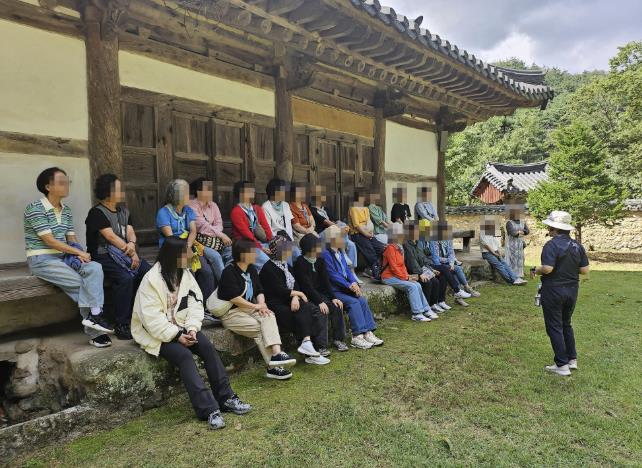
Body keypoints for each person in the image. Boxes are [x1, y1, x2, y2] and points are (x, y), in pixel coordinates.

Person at [131, 236, 251, 429]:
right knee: (184, 356)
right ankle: (208, 409)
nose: (190, 254)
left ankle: (226, 398)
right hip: (156, 333)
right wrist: (177, 335)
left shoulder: (185, 275)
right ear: (175, 256)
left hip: (183, 327)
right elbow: (151, 319)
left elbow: (196, 304)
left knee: (206, 347)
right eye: (186, 251)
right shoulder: (151, 280)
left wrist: (192, 328)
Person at [24, 167, 113, 348]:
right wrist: (78, 253)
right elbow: (50, 241)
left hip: (65, 257)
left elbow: (71, 238)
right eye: (61, 182)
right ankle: (96, 332)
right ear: (48, 186)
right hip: (42, 260)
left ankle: (95, 314)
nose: (66, 185)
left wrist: (80, 254)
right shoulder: (35, 208)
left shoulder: (66, 210)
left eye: (67, 182)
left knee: (94, 267)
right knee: (82, 284)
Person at [217, 240, 297, 380]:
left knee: (269, 315)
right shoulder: (229, 272)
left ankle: (277, 354)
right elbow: (234, 298)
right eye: (253, 251)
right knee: (260, 328)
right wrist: (256, 307)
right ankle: (273, 368)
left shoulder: (251, 269)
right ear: (243, 254)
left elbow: (259, 290)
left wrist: (262, 304)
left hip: (248, 309)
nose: (256, 254)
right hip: (231, 313)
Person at [85, 174, 151, 340]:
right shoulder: (96, 213)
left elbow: (130, 232)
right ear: (108, 191)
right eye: (118, 188)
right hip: (102, 255)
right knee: (124, 278)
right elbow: (110, 237)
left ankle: (142, 315)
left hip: (124, 253)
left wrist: (132, 246)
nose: (122, 191)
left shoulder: (124, 211)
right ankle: (122, 323)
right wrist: (131, 252)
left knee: (148, 272)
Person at [531, 211, 589, 377]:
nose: (548, 229)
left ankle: (562, 365)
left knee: (554, 326)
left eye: (549, 226)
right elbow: (584, 270)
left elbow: (548, 268)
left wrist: (536, 269)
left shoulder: (551, 245)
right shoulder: (577, 245)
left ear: (554, 228)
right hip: (572, 290)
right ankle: (571, 359)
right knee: (566, 324)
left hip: (554, 290)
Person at [259, 235, 330, 364]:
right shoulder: (268, 268)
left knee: (310, 308)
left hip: (289, 300)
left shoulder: (286, 266)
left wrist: (296, 297)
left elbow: (295, 285)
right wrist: (297, 294)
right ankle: (310, 350)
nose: (289, 251)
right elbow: (279, 290)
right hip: (276, 304)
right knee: (301, 314)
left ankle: (309, 345)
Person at [322, 225, 383, 349]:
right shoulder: (325, 254)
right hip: (335, 291)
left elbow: (348, 272)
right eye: (341, 236)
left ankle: (368, 332)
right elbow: (333, 275)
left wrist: (354, 283)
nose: (344, 239)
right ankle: (357, 336)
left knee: (362, 300)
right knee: (353, 302)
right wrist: (349, 285)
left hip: (345, 288)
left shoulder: (340, 252)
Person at [157, 179, 216, 300]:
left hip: (188, 246)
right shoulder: (163, 213)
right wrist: (184, 250)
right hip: (172, 250)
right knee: (189, 272)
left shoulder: (188, 210)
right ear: (176, 195)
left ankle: (206, 304)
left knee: (207, 272)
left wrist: (188, 247)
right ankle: (189, 303)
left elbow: (193, 231)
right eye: (186, 192)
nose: (190, 195)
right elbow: (170, 238)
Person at [294, 234, 350, 352]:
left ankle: (338, 339)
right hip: (307, 296)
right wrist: (319, 302)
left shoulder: (320, 260)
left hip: (321, 294)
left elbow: (326, 282)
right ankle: (321, 346)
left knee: (336, 306)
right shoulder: (300, 262)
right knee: (322, 311)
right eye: (316, 247)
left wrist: (333, 298)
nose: (319, 249)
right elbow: (306, 286)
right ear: (309, 248)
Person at [381, 224, 437, 322]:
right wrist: (406, 278)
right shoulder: (390, 248)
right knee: (412, 286)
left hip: (398, 276)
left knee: (417, 284)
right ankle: (417, 313)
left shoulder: (399, 248)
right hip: (388, 277)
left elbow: (402, 266)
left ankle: (426, 309)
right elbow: (394, 268)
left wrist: (408, 276)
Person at [309, 185, 360, 283]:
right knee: (335, 227)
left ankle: (352, 272)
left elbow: (336, 220)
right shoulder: (312, 209)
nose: (324, 195)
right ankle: (343, 253)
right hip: (322, 235)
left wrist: (344, 226)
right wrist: (339, 227)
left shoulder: (325, 209)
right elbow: (326, 222)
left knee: (351, 245)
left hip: (335, 235)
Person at [187, 178, 233, 282]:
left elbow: (219, 223)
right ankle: (226, 285)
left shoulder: (213, 205)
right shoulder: (192, 206)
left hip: (216, 240)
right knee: (216, 256)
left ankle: (231, 278)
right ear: (198, 191)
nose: (210, 192)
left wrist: (216, 233)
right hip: (200, 242)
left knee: (231, 251)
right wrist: (221, 235)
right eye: (207, 189)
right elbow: (202, 226)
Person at [428, 221, 479, 306]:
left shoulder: (448, 239)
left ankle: (461, 294)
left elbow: (452, 253)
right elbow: (435, 259)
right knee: (457, 269)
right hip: (437, 264)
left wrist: (451, 263)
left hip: (448, 263)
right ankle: (465, 290)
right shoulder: (433, 241)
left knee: (455, 271)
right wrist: (448, 261)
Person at [403, 222, 447, 314]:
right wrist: (420, 274)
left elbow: (423, 259)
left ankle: (432, 304)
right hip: (411, 272)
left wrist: (431, 269)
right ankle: (425, 308)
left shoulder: (417, 243)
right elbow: (412, 262)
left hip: (421, 269)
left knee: (438, 279)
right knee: (428, 282)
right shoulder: (406, 244)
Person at [230, 181, 273, 270]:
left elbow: (266, 227)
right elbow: (247, 235)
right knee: (267, 262)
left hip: (261, 242)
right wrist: (261, 247)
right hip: (245, 245)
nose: (253, 192)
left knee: (284, 252)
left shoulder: (257, 208)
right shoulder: (236, 212)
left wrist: (272, 242)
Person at [349, 188, 386, 280]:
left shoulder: (366, 209)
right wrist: (366, 234)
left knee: (382, 248)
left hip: (368, 233)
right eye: (363, 196)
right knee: (370, 251)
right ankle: (376, 271)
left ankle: (372, 269)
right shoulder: (353, 209)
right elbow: (357, 226)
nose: (365, 198)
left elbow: (369, 222)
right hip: (357, 234)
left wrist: (370, 232)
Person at [261, 178, 301, 263]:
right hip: (275, 241)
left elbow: (289, 226)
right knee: (287, 253)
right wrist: (281, 241)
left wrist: (290, 241)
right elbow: (268, 230)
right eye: (282, 190)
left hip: (288, 239)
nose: (285, 192)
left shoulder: (285, 205)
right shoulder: (265, 207)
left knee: (297, 254)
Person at [479, 217, 528, 286]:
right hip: (487, 253)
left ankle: (516, 279)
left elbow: (496, 245)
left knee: (504, 263)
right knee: (499, 265)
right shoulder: (483, 232)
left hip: (495, 252)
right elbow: (486, 245)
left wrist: (498, 252)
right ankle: (512, 280)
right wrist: (494, 253)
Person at [505, 205, 530, 278]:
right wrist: (521, 232)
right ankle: (512, 275)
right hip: (512, 245)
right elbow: (513, 233)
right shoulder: (509, 223)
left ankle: (520, 274)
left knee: (520, 259)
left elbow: (527, 231)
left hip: (520, 244)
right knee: (513, 260)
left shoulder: (522, 222)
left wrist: (519, 232)